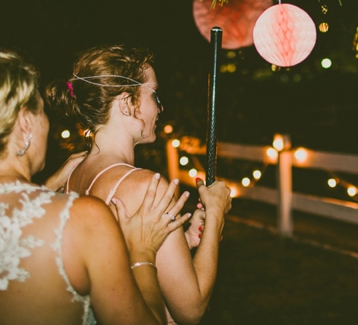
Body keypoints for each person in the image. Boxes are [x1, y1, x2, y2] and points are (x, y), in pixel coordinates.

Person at [0, 50, 191, 325]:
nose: (47, 124)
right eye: (41, 112)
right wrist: (142, 253)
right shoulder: (83, 218)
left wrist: (47, 185)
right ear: (25, 124)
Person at [46, 45, 232, 325]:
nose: (160, 107)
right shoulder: (146, 187)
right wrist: (216, 213)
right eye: (153, 94)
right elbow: (191, 310)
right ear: (126, 103)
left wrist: (184, 242)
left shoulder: (72, 176)